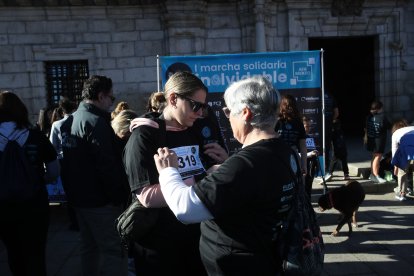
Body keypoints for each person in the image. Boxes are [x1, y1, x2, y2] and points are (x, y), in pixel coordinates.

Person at [153, 76, 298, 275]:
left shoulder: (245, 165)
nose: (228, 117)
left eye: (229, 111)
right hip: (266, 256)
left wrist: (168, 171)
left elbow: (185, 209)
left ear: (245, 113)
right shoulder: (285, 151)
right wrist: (230, 162)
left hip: (238, 265)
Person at [123, 71, 228, 276]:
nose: (200, 113)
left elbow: (204, 172)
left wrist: (225, 162)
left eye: (203, 107)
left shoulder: (194, 129)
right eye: (195, 105)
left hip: (197, 240)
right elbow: (146, 196)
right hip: (159, 247)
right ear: (173, 99)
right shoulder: (144, 136)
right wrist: (202, 181)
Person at [60, 75, 130, 276]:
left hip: (79, 199)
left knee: (89, 247)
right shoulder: (95, 122)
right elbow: (107, 166)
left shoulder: (70, 121)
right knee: (115, 250)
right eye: (111, 97)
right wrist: (117, 197)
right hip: (100, 202)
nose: (111, 102)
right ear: (101, 96)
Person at [0, 91, 59, 275]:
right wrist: (40, 179)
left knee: (13, 251)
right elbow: (54, 171)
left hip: (3, 206)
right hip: (34, 204)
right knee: (35, 253)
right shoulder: (35, 136)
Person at [275, 94, 307, 176]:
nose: (289, 108)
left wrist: (304, 165)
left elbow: (303, 146)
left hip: (294, 157)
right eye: (287, 105)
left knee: (298, 183)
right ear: (282, 106)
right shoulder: (277, 122)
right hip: (279, 157)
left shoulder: (298, 123)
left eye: (291, 105)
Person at [365, 100, 391, 183]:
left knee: (374, 156)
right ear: (380, 108)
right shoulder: (382, 117)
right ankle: (376, 175)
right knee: (377, 157)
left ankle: (372, 174)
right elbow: (389, 127)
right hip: (379, 141)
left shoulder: (369, 117)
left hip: (371, 139)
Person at [391, 119, 414, 201]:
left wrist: (396, 165)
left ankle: (402, 193)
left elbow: (394, 150)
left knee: (402, 172)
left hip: (406, 148)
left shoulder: (395, 134)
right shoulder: (412, 127)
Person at [303, 116, 319, 196]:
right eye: (306, 126)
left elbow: (313, 151)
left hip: (310, 169)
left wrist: (315, 153)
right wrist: (310, 154)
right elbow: (296, 154)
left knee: (308, 190)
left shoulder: (309, 138)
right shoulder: (298, 138)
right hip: (302, 169)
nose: (309, 128)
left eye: (310, 126)